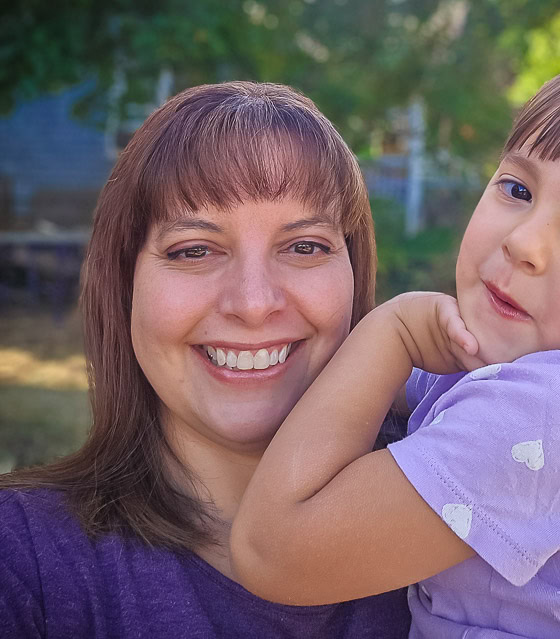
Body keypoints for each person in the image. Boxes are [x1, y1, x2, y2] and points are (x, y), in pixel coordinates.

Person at [230, 59, 560, 638]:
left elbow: (272, 554)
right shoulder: (513, 364)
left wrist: (390, 332)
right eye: (518, 189)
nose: (524, 242)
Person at [0, 82, 411, 638]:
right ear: (125, 287)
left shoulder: (468, 506)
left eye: (305, 246)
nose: (254, 303)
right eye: (194, 250)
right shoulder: (23, 562)